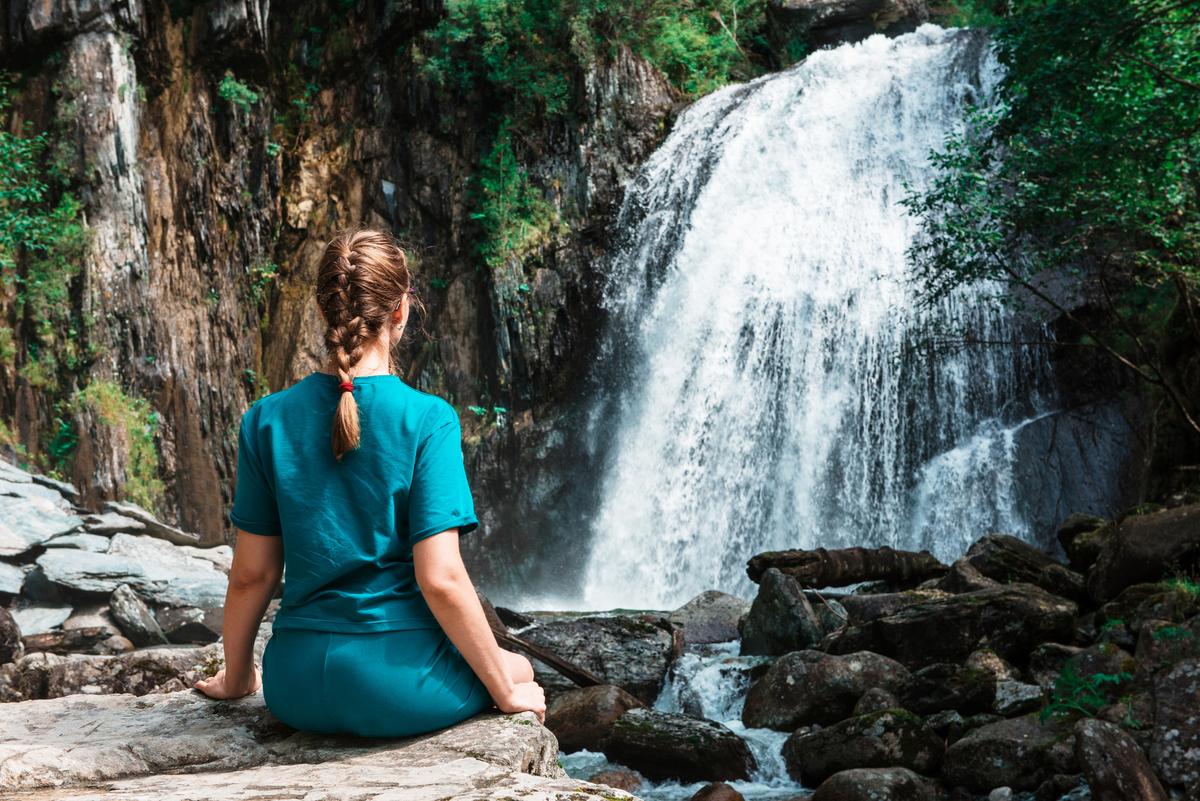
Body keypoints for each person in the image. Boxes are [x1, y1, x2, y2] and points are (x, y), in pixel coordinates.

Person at [194, 228, 545, 737]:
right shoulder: (429, 419)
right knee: (518, 668)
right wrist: (507, 691)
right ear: (401, 310)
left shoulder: (265, 420)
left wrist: (239, 677)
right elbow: (440, 578)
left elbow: (253, 575)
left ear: (323, 310)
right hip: (396, 685)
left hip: (295, 687)